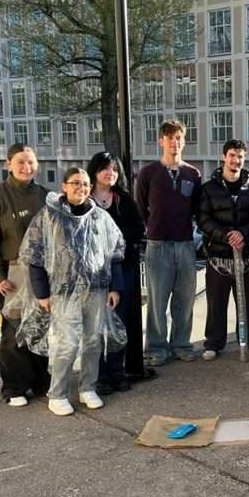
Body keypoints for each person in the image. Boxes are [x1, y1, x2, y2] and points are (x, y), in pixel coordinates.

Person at [15, 167, 126, 416]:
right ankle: (58, 393)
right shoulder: (48, 217)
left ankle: (88, 387)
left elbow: (114, 254)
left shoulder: (100, 217)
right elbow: (35, 255)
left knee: (94, 340)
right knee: (68, 342)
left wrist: (115, 287)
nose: (81, 188)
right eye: (76, 183)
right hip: (63, 291)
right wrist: (42, 293)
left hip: (96, 289)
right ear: (64, 186)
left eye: (85, 184)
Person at [0, 144, 51, 407]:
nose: (27, 167)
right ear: (8, 164)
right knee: (14, 332)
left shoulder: (45, 196)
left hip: (42, 274)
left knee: (39, 328)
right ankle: (14, 387)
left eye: (31, 162)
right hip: (11, 274)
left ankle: (41, 382)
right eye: (21, 162)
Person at [87, 151, 155, 394]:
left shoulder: (124, 199)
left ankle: (117, 371)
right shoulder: (85, 199)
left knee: (119, 322)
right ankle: (101, 374)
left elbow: (137, 228)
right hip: (93, 272)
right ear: (94, 172)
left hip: (122, 269)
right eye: (105, 168)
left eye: (114, 169)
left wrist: (113, 239)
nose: (110, 173)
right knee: (95, 324)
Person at [136, 120, 202, 365]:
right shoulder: (149, 173)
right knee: (157, 301)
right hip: (158, 245)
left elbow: (196, 208)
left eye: (179, 138)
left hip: (185, 244)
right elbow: (141, 208)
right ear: (161, 141)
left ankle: (182, 345)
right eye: (170, 138)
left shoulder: (193, 174)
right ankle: (155, 349)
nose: (175, 142)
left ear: (183, 142)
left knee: (185, 300)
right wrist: (152, 229)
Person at [197, 139, 249, 361]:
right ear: (224, 157)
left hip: (246, 257)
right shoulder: (208, 189)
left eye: (240, 157)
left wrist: (243, 234)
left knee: (247, 302)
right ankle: (214, 344)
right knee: (216, 304)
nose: (236, 160)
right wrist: (226, 236)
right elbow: (203, 219)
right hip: (218, 256)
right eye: (232, 156)